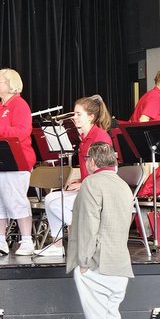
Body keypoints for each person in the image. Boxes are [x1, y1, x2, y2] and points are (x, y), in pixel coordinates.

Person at [66, 141, 134, 319]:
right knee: (112, 318)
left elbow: (88, 224)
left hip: (97, 263)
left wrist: (84, 261)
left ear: (92, 162)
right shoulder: (123, 185)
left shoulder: (92, 183)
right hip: (120, 264)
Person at [36, 96, 114, 258]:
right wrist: (80, 180)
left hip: (98, 191)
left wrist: (84, 184)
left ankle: (86, 235)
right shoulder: (85, 139)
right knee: (50, 199)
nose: (74, 117)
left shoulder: (100, 137)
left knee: (58, 204)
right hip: (88, 187)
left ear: (91, 117)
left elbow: (107, 172)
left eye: (79, 114)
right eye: (74, 114)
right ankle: (57, 245)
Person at [0, 68, 37, 255]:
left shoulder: (19, 105)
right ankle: (0, 240)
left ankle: (27, 240)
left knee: (15, 200)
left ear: (10, 83)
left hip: (16, 161)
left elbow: (22, 132)